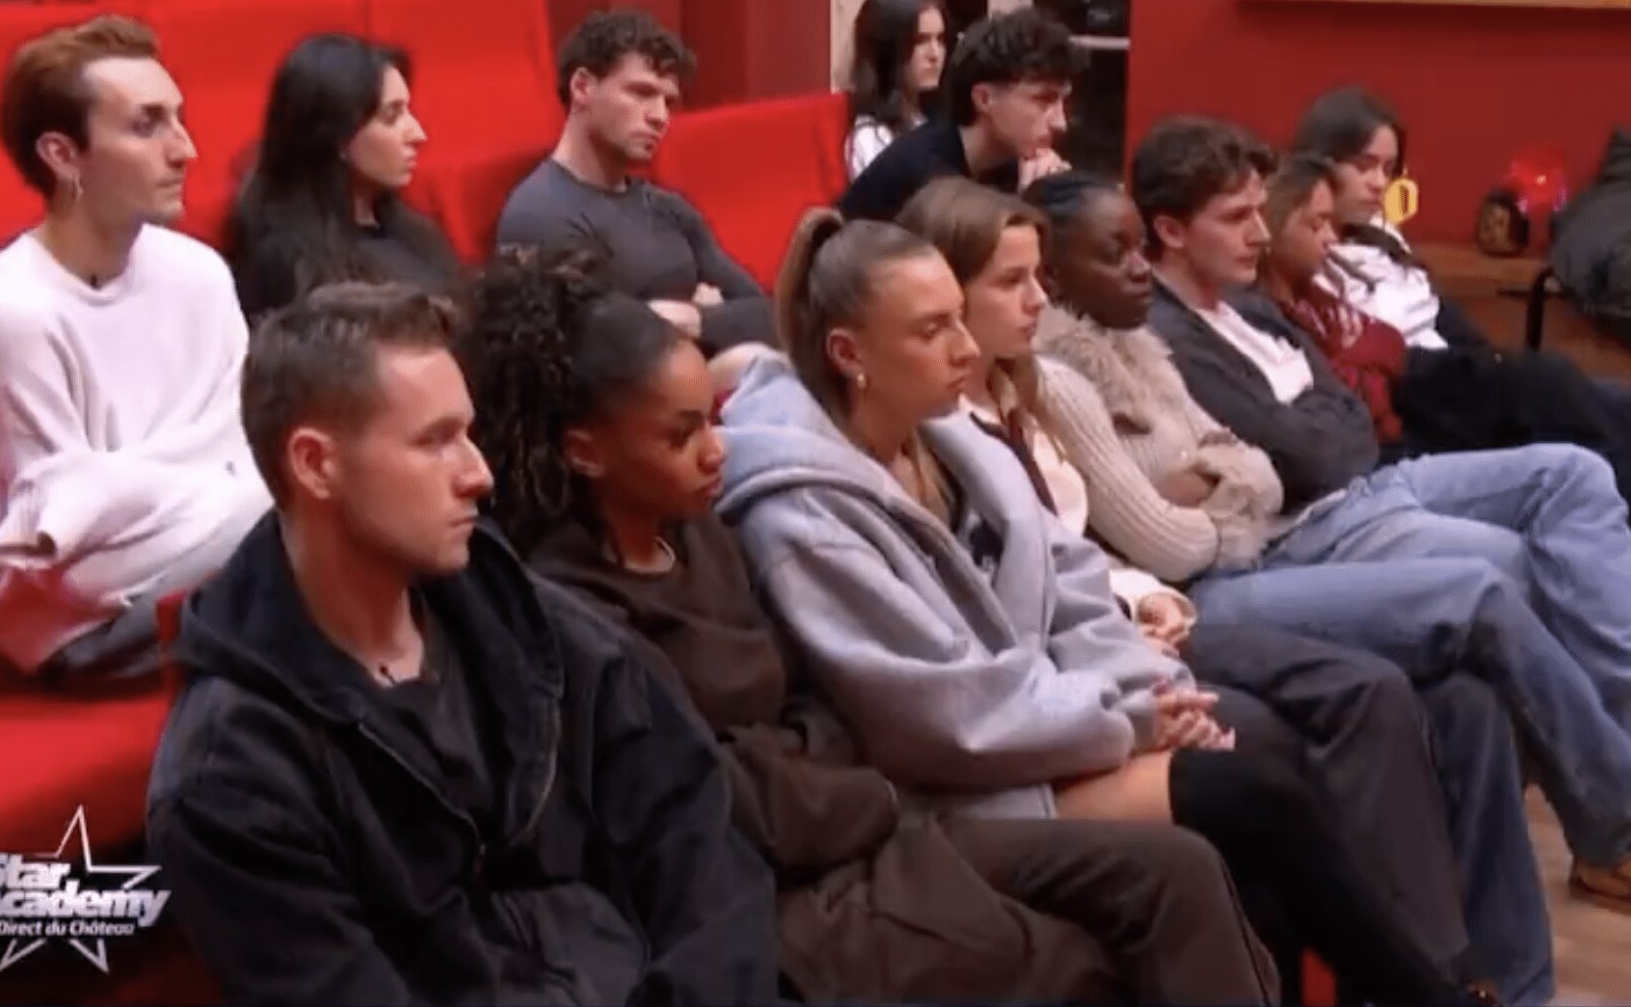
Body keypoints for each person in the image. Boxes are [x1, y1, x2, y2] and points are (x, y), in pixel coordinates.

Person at [457, 244, 1282, 1007]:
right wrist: (851, 785)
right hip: (781, 890)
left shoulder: (702, 533)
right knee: (1078, 962)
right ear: (586, 452)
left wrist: (827, 772)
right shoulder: (574, 609)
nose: (717, 450)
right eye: (681, 435)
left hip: (869, 824)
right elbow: (717, 793)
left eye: (710, 418)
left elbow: (817, 701)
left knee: (1177, 874)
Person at [716, 208, 1499, 1007]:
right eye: (931, 330)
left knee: (1257, 801)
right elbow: (937, 717)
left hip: (1042, 731)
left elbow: (1076, 584)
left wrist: (1144, 692)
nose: (965, 347)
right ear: (849, 354)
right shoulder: (801, 515)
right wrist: (1128, 721)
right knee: (1249, 795)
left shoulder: (947, 438)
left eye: (958, 317)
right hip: (942, 789)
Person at [1024, 167, 1631, 938]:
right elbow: (1182, 534)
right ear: (1053, 275)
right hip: (1219, 583)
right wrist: (1236, 482)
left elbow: (1285, 448)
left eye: (1136, 247)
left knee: (1572, 475)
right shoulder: (1073, 377)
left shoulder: (1143, 345)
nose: (1138, 268)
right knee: (1488, 584)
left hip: (1296, 521)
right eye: (1115, 252)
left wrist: (1225, 480)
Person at [1133, 115, 1631, 814]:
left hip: (1365, 481)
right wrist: (1331, 424)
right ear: (1171, 230)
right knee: (1528, 554)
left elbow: (1346, 417)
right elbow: (1310, 450)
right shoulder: (1176, 332)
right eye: (1237, 217)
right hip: (1315, 521)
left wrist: (1331, 423)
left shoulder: (1244, 309)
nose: (1259, 232)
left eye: (1259, 213)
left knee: (1578, 469)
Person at [145, 281, 781, 1006]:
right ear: (316, 464)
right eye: (435, 441)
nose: (479, 475)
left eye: (469, 434)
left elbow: (695, 841)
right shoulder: (230, 784)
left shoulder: (519, 615)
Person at [1290, 84, 1631, 622]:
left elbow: (1437, 313)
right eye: (1363, 166)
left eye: (1388, 168)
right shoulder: (1302, 244)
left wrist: (1485, 363)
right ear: (1320, 159)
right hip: (1408, 391)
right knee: (1558, 388)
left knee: (1625, 414)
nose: (1378, 182)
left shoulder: (1379, 234)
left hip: (1453, 374)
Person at [0, 14, 271, 692]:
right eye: (147, 126)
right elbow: (70, 568)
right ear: (63, 155)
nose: (185, 149)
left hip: (222, 551)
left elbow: (250, 446)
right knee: (322, 537)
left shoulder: (199, 273)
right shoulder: (10, 311)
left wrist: (126, 490)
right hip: (83, 629)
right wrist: (227, 491)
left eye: (178, 119)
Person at [495, 9, 776, 359]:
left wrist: (698, 321)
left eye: (668, 101)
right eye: (641, 93)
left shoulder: (670, 208)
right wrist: (712, 319)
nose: (660, 116)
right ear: (582, 87)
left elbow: (766, 314)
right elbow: (601, 357)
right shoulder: (541, 213)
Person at [224, 32, 459, 322]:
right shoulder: (290, 263)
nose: (418, 135)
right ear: (338, 136)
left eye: (408, 111)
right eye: (391, 117)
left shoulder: (413, 230)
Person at [838, 6, 1080, 223]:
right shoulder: (927, 179)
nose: (1061, 123)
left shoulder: (1008, 160)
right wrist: (1028, 206)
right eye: (1043, 100)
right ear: (984, 99)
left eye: (1063, 101)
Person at [844, 0, 949, 180]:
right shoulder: (872, 140)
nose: (935, 54)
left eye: (940, 39)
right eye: (920, 41)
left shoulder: (934, 118)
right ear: (888, 50)